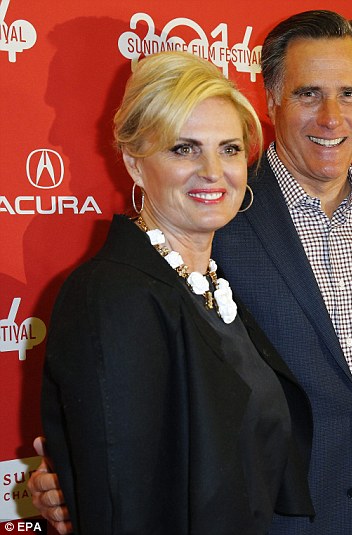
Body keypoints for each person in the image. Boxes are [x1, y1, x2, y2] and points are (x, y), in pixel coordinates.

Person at [36, 50, 314, 534]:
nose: (213, 170)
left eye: (229, 149)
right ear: (135, 164)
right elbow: (125, 508)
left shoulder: (207, 286)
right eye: (183, 148)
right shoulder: (112, 296)